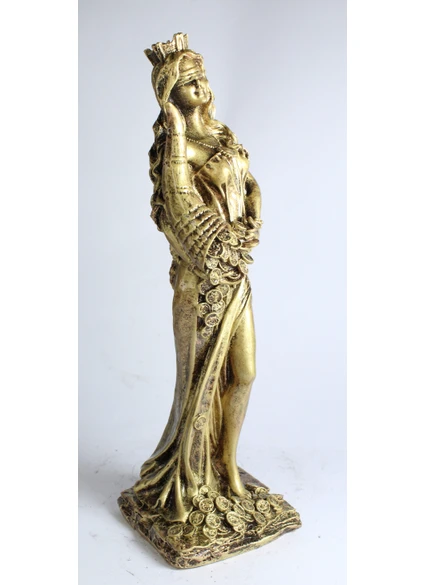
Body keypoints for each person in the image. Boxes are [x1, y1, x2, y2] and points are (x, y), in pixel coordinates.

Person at [134, 33, 263, 523]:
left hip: (236, 270)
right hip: (201, 281)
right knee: (198, 384)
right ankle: (191, 475)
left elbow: (249, 182)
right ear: (170, 94)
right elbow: (178, 207)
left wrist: (254, 214)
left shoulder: (222, 133)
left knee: (244, 373)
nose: (202, 87)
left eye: (203, 77)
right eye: (190, 83)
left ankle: (228, 463)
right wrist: (173, 129)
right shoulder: (178, 147)